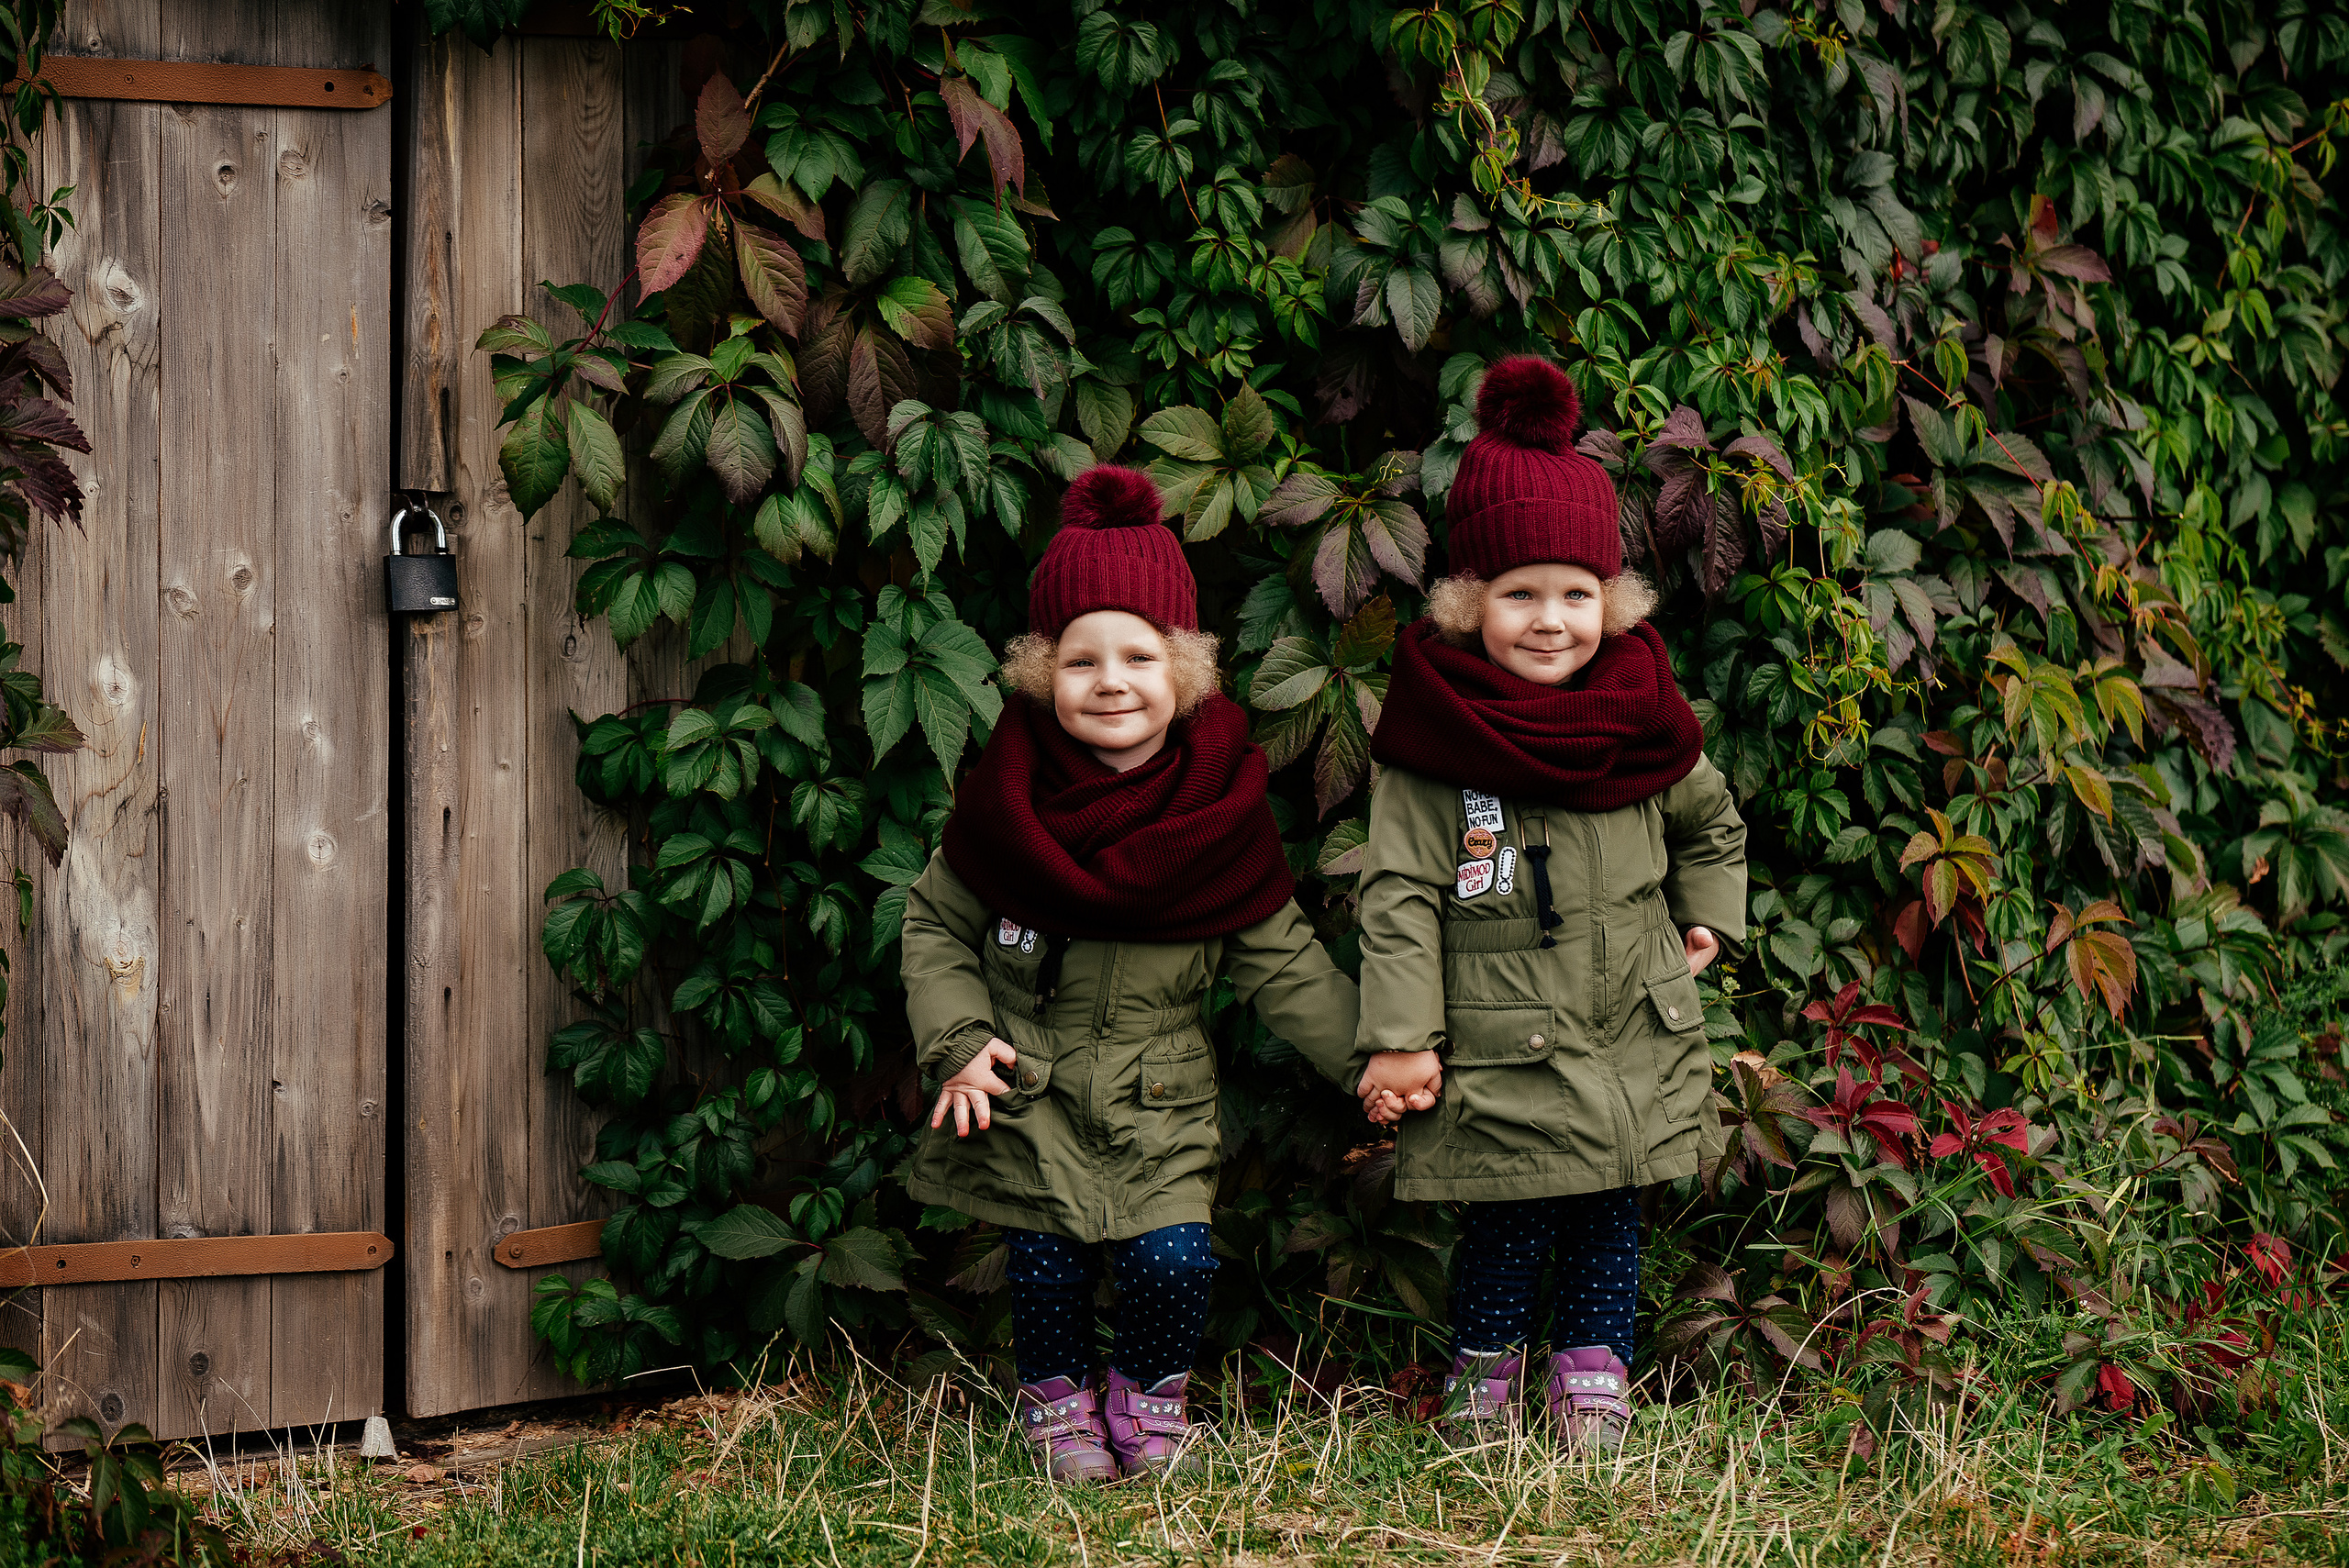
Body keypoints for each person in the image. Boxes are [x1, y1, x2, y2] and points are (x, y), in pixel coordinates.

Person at [900, 465, 1364, 1483]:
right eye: (1082, 659)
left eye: (1139, 656)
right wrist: (959, 1039)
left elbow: (1282, 960)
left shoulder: (1218, 813)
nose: (1112, 680)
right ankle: (1058, 1403)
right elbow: (935, 924)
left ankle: (1148, 1396)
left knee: (1173, 1258)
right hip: (1032, 1087)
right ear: (1041, 672)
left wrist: (1373, 1062)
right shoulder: (1005, 805)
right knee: (1045, 1261)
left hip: (1161, 1102)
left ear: (1185, 668)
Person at [1350, 356, 1748, 1451]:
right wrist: (1401, 1037)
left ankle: (1592, 1374)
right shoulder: (1436, 744)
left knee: (1610, 1211)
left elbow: (1710, 822)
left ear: (1610, 601)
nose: (1549, 620)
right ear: (1466, 602)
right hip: (1503, 1042)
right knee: (1509, 1212)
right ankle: (1484, 1372)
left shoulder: (1642, 714)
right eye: (1518, 594)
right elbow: (1397, 898)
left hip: (1625, 1028)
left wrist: (1707, 913)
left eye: (1575, 594)